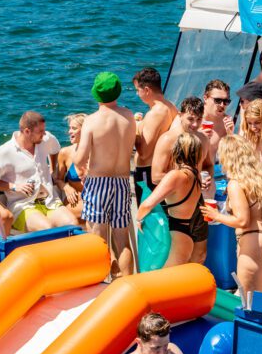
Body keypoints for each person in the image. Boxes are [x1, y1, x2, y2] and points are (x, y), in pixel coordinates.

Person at [76, 73, 136, 277]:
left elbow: (80, 158)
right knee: (122, 240)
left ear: (96, 94)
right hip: (121, 182)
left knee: (98, 238)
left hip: (98, 182)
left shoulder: (92, 120)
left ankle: (100, 286)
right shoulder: (129, 116)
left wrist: (79, 165)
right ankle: (128, 286)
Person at [202, 135, 262, 296]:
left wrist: (215, 215)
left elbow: (242, 220)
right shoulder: (261, 178)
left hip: (252, 245)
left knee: (247, 301)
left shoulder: (235, 184)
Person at [0, 110, 77, 233]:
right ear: (27, 131)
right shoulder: (3, 152)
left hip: (50, 201)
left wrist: (52, 169)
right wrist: (14, 187)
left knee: (73, 225)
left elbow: (55, 149)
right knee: (46, 229)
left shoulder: (45, 139)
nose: (44, 134)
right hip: (22, 205)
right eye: (40, 132)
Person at [151, 97, 213, 265]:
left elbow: (208, 165)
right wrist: (184, 179)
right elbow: (156, 176)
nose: (194, 124)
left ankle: (190, 286)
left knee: (200, 253)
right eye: (190, 119)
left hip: (197, 200)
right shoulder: (168, 140)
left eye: (198, 119)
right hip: (174, 202)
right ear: (180, 115)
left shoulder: (203, 139)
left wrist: (207, 177)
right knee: (175, 254)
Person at [136, 133, 205, 268]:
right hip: (186, 235)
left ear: (177, 150)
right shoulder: (196, 176)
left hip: (176, 237)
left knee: (163, 284)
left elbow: (147, 205)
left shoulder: (176, 176)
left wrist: (139, 220)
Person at [132, 67, 178, 203]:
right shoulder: (170, 106)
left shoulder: (155, 113)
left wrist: (134, 127)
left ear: (146, 90)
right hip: (161, 168)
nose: (137, 94)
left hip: (147, 172)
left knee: (149, 217)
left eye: (138, 90)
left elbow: (144, 152)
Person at [54, 113, 87, 221]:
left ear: (86, 130)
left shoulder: (97, 152)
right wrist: (66, 187)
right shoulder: (65, 153)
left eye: (74, 128)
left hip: (94, 200)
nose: (69, 132)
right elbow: (58, 179)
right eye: (69, 128)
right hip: (75, 202)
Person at [202, 79, 235, 161]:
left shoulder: (226, 123)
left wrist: (230, 135)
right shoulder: (191, 119)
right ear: (205, 98)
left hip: (214, 171)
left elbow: (233, 156)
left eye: (226, 101)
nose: (222, 105)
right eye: (217, 100)